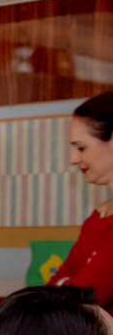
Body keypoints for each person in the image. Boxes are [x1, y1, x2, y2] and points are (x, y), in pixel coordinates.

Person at [52, 92, 113, 304]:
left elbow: (87, 295)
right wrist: (67, 284)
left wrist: (65, 284)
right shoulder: (100, 214)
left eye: (81, 147)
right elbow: (55, 285)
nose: (73, 159)